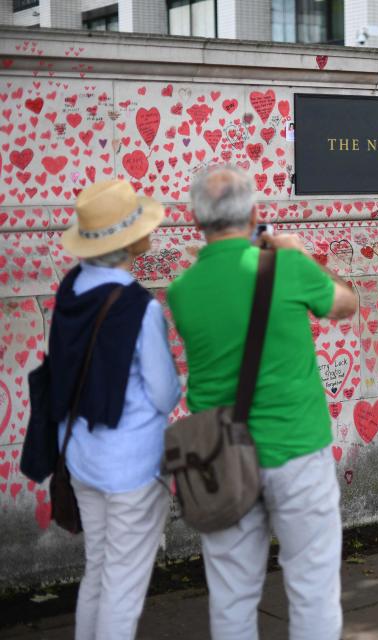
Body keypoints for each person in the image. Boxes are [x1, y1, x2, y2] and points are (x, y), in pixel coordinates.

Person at [167, 164, 358, 640]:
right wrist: (300, 255)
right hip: (296, 448)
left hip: (220, 458)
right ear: (254, 214)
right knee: (312, 586)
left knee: (231, 595)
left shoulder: (182, 291)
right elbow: (347, 303)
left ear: (196, 219)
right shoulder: (287, 267)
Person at [51, 179, 181, 639]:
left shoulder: (70, 290)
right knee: (123, 588)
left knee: (99, 570)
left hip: (81, 455)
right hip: (132, 466)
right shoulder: (137, 306)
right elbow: (164, 392)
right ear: (128, 240)